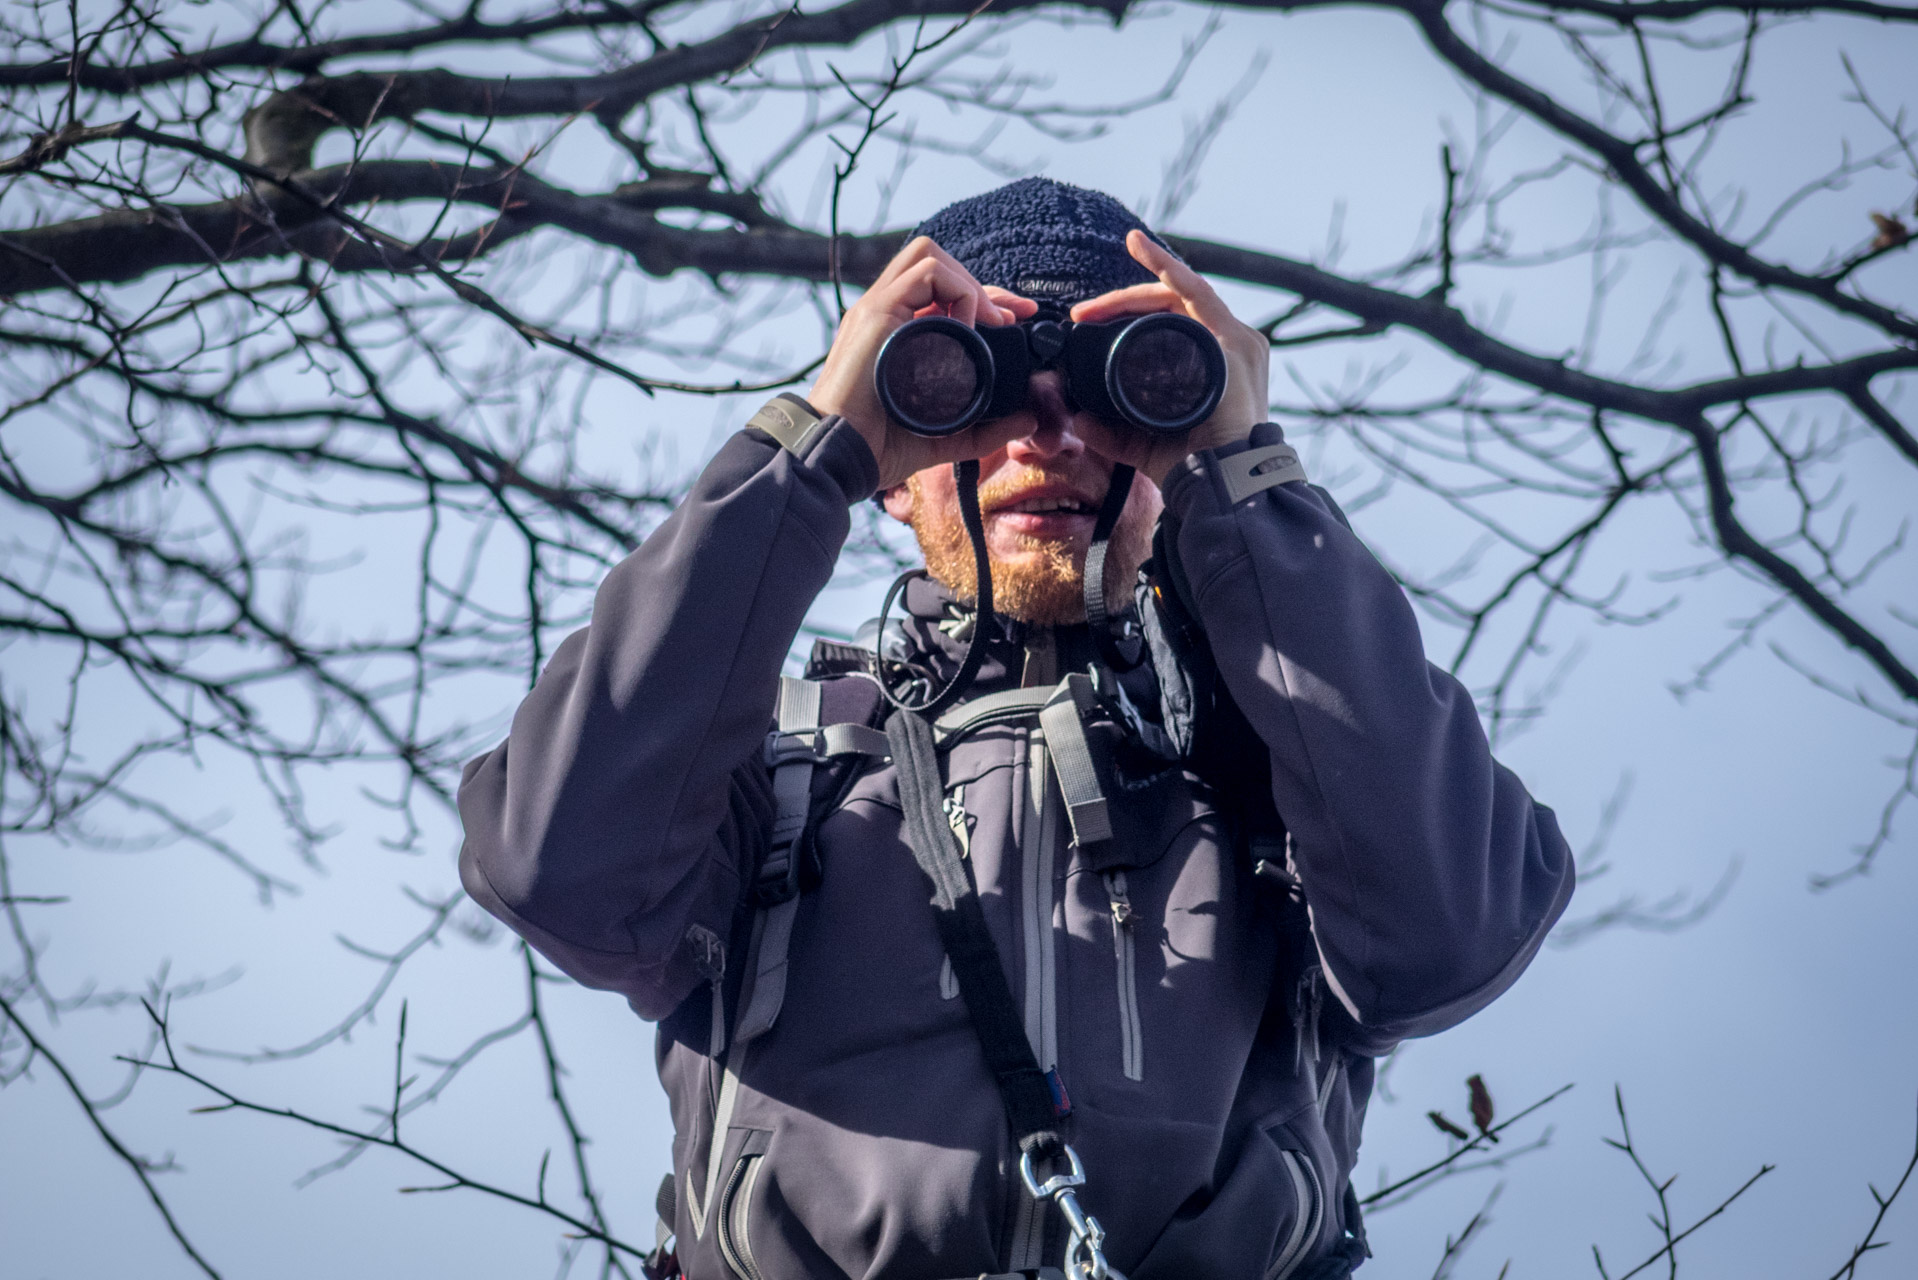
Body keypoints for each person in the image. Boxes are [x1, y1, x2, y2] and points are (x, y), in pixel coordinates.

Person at [457, 177, 1575, 1280]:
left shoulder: (1279, 763)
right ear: (893, 481)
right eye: (963, 385)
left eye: (1115, 397)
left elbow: (1448, 934)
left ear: (1165, 463)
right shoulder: (772, 768)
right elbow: (560, 865)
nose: (1046, 441)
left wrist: (1242, 480)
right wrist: (811, 450)